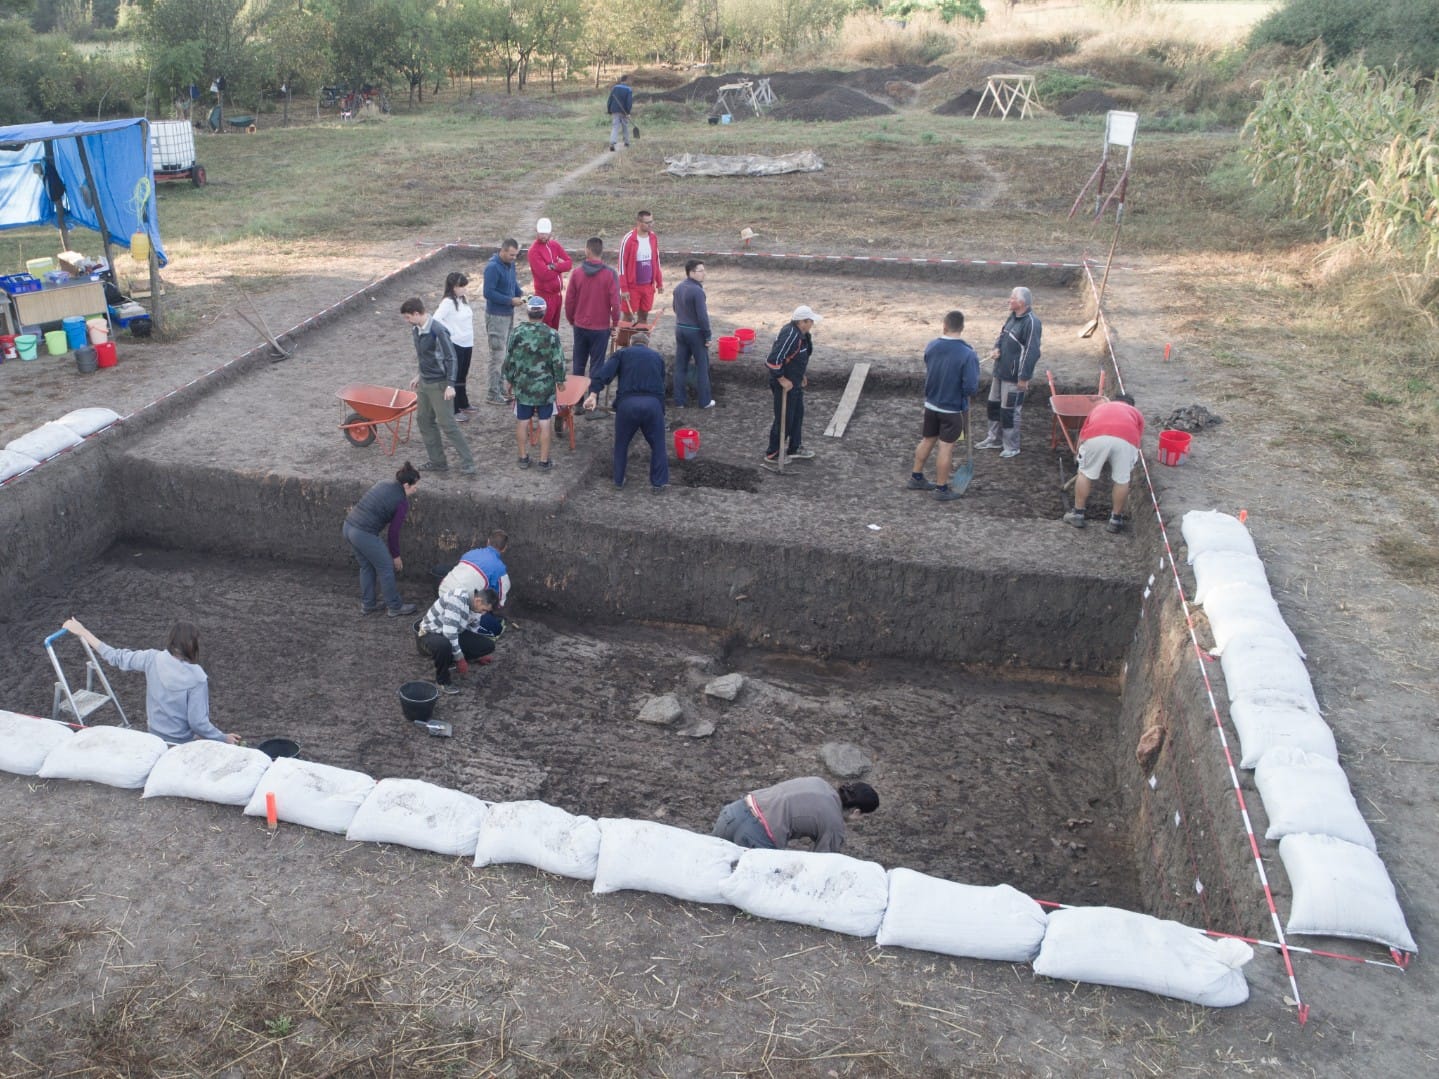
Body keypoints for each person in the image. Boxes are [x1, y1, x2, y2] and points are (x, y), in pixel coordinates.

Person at [61, 617, 241, 746]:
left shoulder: (151, 658)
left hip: (156, 734)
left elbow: (114, 656)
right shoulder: (197, 677)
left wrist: (82, 631)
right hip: (181, 742)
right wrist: (223, 738)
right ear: (193, 645)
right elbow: (197, 722)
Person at [907, 310, 981, 501]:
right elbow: (971, 387)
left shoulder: (932, 346)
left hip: (931, 404)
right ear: (962, 328)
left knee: (927, 439)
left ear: (944, 325)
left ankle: (916, 477)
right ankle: (941, 488)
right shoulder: (968, 354)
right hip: (952, 409)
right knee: (946, 447)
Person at [582, 329, 669, 491]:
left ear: (631, 343)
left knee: (621, 444)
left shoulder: (622, 354)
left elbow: (603, 375)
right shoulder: (657, 357)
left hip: (627, 405)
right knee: (658, 444)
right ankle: (659, 483)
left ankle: (618, 480)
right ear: (647, 344)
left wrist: (593, 395)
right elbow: (661, 384)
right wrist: (661, 410)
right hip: (653, 405)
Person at [401, 298, 476, 475]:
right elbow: (424, 356)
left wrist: (450, 385)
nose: (407, 321)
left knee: (448, 424)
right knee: (424, 421)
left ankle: (468, 463)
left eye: (408, 317)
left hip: (440, 384)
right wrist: (419, 374)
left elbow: (451, 358)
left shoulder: (438, 330)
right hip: (425, 384)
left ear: (417, 314)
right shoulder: (416, 329)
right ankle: (438, 462)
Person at [712, 777, 879, 853]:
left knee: (706, 861)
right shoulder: (834, 823)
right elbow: (823, 864)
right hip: (757, 836)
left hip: (734, 812)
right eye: (863, 816)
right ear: (856, 811)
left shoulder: (819, 782)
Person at [344, 462, 421, 616]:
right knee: (386, 567)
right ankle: (394, 606)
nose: (416, 488)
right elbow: (393, 532)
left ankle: (368, 605)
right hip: (363, 533)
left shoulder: (384, 483)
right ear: (406, 485)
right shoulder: (401, 502)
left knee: (366, 566)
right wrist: (396, 556)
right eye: (415, 486)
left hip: (348, 527)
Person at [975, 286, 1042, 458]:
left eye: (1012, 298)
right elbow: (1002, 336)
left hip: (1014, 378)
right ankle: (994, 439)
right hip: (1000, 371)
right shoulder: (1012, 317)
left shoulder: (1032, 323)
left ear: (1021, 303)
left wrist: (1024, 377)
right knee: (994, 405)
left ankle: (1011, 446)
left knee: (1010, 410)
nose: (1008, 300)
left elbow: (1031, 351)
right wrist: (996, 348)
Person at [503, 295, 568, 471]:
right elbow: (558, 361)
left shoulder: (517, 332)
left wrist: (509, 379)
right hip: (545, 387)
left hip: (523, 385)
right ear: (544, 313)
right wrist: (561, 381)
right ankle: (543, 461)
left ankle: (523, 457)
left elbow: (509, 359)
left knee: (522, 420)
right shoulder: (552, 334)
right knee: (545, 421)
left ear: (528, 312)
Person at [1064, 393, 1144, 533]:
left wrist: (1079, 458)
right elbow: (1137, 440)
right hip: (1126, 441)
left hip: (1096, 436)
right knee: (1122, 480)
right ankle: (1115, 520)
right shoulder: (1136, 413)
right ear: (1130, 405)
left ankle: (1077, 514)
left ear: (1114, 401)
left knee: (1085, 474)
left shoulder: (1100, 408)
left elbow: (1083, 435)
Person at [416, 587, 506, 695]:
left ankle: (451, 659)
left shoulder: (477, 607)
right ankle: (443, 681)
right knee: (444, 645)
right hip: (431, 632)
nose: (483, 613)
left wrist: (477, 654)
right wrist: (460, 658)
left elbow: (473, 630)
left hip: (455, 631)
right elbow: (449, 633)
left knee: (488, 645)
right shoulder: (457, 600)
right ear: (478, 601)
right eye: (484, 610)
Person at [765, 305, 820, 463]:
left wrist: (801, 374)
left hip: (795, 381)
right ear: (802, 322)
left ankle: (795, 447)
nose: (812, 324)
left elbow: (796, 358)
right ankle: (773, 453)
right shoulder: (790, 335)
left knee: (797, 415)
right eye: (810, 321)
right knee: (784, 418)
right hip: (785, 385)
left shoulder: (803, 334)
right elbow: (772, 360)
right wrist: (782, 379)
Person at [564, 237, 622, 378]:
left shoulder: (577, 273)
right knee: (597, 364)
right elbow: (616, 303)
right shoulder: (610, 274)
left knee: (578, 363)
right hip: (601, 328)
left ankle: (577, 399)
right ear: (601, 251)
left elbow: (569, 301)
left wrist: (572, 319)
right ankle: (593, 396)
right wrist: (615, 324)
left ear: (587, 250)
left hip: (580, 325)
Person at [482, 238, 526, 404]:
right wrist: (510, 300)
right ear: (503, 250)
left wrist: (520, 293)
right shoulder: (492, 268)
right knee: (497, 355)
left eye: (516, 255)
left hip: (507, 314)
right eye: (512, 255)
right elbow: (488, 292)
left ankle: (500, 389)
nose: (514, 258)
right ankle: (492, 393)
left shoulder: (510, 265)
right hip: (496, 316)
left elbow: (513, 282)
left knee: (505, 353)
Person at [672, 258, 714, 409]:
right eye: (700, 271)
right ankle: (705, 401)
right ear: (691, 273)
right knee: (702, 366)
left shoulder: (678, 288)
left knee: (680, 366)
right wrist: (707, 335)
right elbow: (702, 317)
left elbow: (675, 309)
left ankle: (679, 401)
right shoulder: (697, 291)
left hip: (680, 329)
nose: (704, 274)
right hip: (695, 332)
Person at [433, 272, 475, 419]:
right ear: (453, 287)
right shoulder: (448, 303)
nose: (464, 289)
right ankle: (454, 408)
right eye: (460, 286)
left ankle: (463, 402)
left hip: (467, 342)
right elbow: (436, 319)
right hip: (456, 343)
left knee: (463, 374)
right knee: (455, 376)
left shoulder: (463, 300)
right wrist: (450, 333)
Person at [438, 530, 512, 608]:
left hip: (443, 590)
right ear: (504, 548)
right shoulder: (500, 569)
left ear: (488, 541)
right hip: (460, 603)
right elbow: (499, 600)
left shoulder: (470, 553)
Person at [528, 218, 572, 333]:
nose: (543, 236)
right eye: (541, 233)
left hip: (557, 295)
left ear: (550, 232)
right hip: (544, 296)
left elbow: (569, 263)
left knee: (554, 329)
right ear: (536, 232)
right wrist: (559, 267)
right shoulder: (534, 251)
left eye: (545, 233)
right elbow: (544, 274)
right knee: (544, 331)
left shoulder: (555, 245)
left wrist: (553, 266)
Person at [618, 210, 662, 325]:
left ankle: (641, 341)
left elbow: (656, 260)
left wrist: (659, 282)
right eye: (647, 222)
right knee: (628, 317)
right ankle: (623, 342)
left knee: (644, 316)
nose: (651, 225)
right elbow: (621, 265)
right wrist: (624, 288)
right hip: (632, 287)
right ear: (639, 222)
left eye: (652, 221)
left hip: (648, 286)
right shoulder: (628, 239)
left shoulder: (653, 237)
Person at [606, 73, 633, 151]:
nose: (630, 82)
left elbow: (610, 99)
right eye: (629, 80)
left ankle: (612, 142)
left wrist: (609, 110)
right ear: (626, 80)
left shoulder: (615, 88)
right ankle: (627, 142)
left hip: (614, 110)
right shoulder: (628, 89)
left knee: (615, 127)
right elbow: (629, 102)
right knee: (625, 126)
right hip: (623, 112)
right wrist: (628, 112)